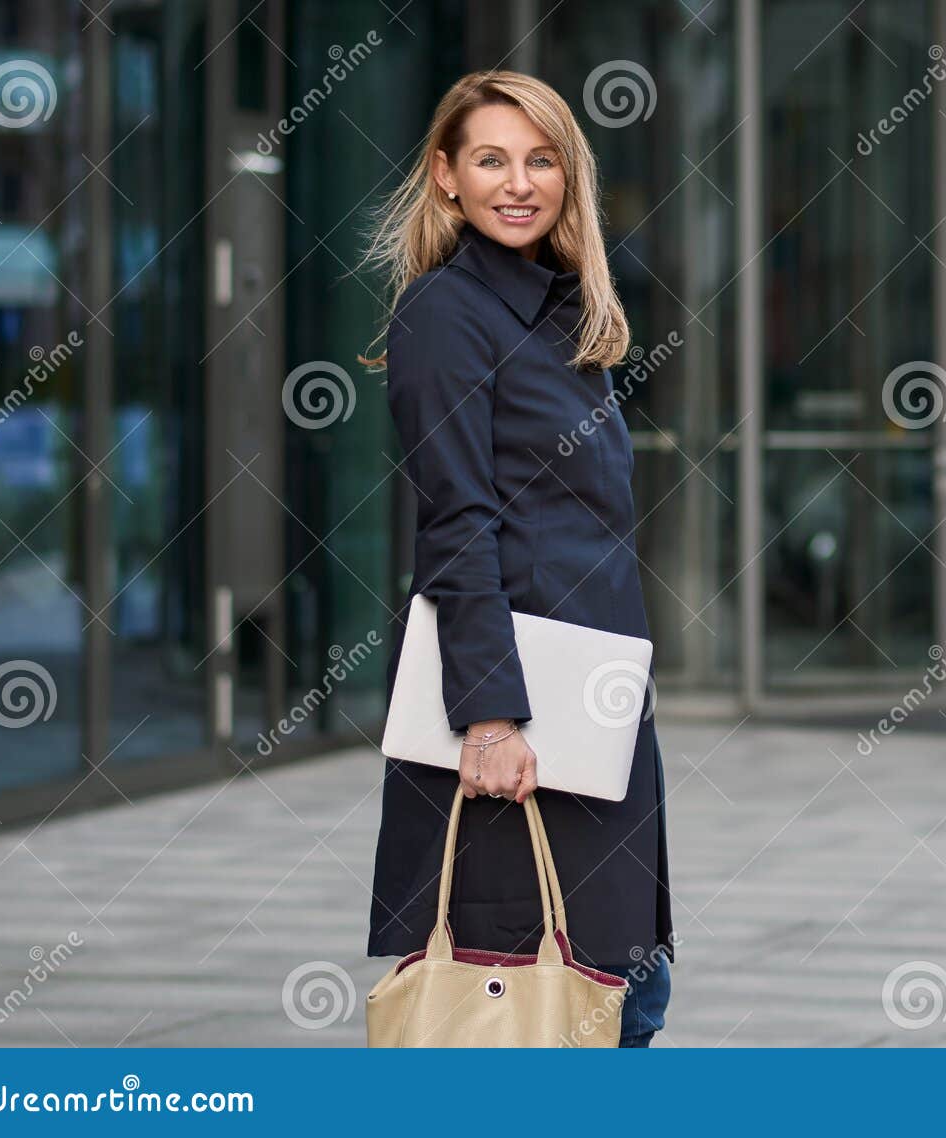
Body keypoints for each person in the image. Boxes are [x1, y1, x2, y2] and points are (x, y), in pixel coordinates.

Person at [359, 69, 674, 1047]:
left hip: (595, 699)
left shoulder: (565, 310)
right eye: (490, 159)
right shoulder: (446, 314)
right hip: (521, 716)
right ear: (445, 175)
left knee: (625, 986)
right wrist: (491, 713)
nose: (518, 182)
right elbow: (457, 519)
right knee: (550, 1003)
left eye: (540, 159)